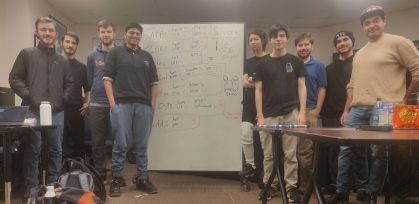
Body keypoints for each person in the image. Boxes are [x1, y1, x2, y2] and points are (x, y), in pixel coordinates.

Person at [326, 5, 419, 204]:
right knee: (345, 148)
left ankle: (372, 193)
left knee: (379, 152)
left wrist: (405, 97)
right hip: (357, 109)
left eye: (376, 20)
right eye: (367, 23)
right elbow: (352, 84)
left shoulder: (398, 42)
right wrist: (346, 109)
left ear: (384, 21)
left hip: (384, 108)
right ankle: (342, 191)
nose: (372, 25)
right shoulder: (359, 54)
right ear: (363, 28)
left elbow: (418, 69)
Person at [9, 17, 74, 200]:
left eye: (50, 30)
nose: (47, 33)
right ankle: (32, 186)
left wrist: (63, 98)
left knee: (56, 149)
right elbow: (14, 78)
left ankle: (53, 184)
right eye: (43, 30)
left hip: (57, 111)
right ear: (37, 33)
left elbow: (70, 84)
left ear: (56, 34)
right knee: (33, 148)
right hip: (32, 110)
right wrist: (29, 95)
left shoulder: (62, 61)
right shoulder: (27, 54)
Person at [103, 22, 158, 197]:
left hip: (143, 106)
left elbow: (154, 83)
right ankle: (117, 179)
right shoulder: (115, 53)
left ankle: (142, 178)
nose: (135, 36)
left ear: (141, 36)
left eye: (138, 34)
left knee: (141, 146)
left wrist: (152, 106)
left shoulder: (147, 56)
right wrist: (113, 105)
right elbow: (107, 79)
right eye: (131, 33)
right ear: (125, 34)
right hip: (122, 105)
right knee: (120, 144)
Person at [255, 23, 307, 202]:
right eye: (275, 36)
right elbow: (258, 90)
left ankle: (291, 187)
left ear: (287, 39)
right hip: (268, 114)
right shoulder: (262, 64)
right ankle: (270, 185)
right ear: (269, 40)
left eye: (282, 35)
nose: (278, 39)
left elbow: (302, 87)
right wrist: (260, 115)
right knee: (269, 154)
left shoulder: (296, 61)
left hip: (291, 113)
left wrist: (301, 112)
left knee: (290, 153)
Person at [320, 31, 368, 198]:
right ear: (335, 45)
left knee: (358, 150)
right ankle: (336, 183)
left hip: (355, 113)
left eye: (345, 40)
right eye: (338, 41)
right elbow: (325, 92)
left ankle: (361, 186)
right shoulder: (329, 68)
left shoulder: (360, 63)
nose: (342, 43)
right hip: (332, 115)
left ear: (352, 42)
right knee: (335, 152)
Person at [294, 33, 327, 193]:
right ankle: (290, 181)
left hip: (309, 111)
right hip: (291, 111)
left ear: (311, 46)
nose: (303, 47)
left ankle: (305, 183)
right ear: (295, 48)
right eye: (300, 45)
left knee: (306, 149)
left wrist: (316, 111)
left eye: (306, 44)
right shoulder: (291, 63)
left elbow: (322, 89)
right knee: (290, 147)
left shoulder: (319, 66)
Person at [86, 19, 116, 184]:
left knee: (118, 141)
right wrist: (89, 100)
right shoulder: (92, 55)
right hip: (97, 104)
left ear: (114, 34)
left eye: (109, 31)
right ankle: (101, 173)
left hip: (116, 105)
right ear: (99, 34)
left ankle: (117, 174)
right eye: (103, 31)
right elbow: (90, 79)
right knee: (98, 142)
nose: (106, 34)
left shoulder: (120, 53)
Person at [238, 29, 268, 189]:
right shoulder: (248, 62)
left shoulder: (270, 59)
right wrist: (256, 81)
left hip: (265, 107)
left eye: (256, 39)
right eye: (250, 40)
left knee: (264, 141)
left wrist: (253, 79)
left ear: (263, 40)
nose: (253, 42)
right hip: (248, 105)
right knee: (245, 137)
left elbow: (269, 84)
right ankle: (249, 168)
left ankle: (266, 173)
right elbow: (244, 83)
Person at [61, 31, 91, 159]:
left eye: (73, 43)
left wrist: (88, 102)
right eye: (67, 41)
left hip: (77, 108)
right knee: (58, 142)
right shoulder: (55, 64)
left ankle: (79, 170)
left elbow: (87, 88)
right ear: (61, 43)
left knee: (78, 142)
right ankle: (57, 172)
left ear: (76, 46)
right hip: (58, 108)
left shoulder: (82, 67)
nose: (70, 45)